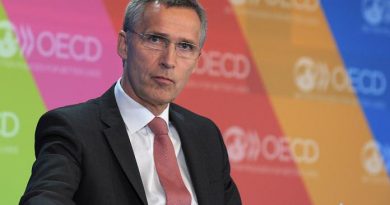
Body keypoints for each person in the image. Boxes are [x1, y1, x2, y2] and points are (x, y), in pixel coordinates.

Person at [19, 0, 242, 204]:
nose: (169, 60)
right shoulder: (74, 129)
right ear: (124, 45)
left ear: (196, 60)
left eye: (185, 46)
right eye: (156, 39)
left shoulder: (205, 136)